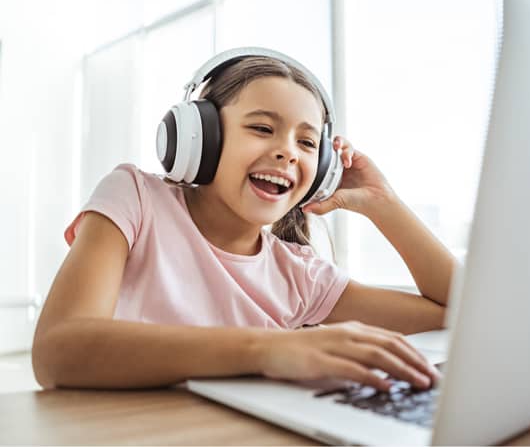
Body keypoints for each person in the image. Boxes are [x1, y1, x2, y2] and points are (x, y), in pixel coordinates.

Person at [32, 51, 456, 392]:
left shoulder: (300, 275)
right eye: (261, 128)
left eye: (307, 142)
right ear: (200, 136)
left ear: (322, 168)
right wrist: (269, 348)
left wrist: (384, 203)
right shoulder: (136, 198)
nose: (287, 151)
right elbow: (58, 350)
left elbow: (464, 313)